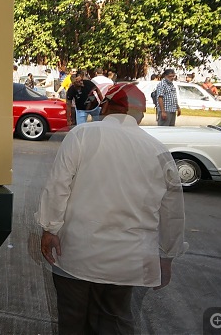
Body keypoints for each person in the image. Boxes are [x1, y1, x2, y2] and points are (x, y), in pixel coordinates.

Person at [38, 83, 186, 334]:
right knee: (114, 322)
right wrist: (166, 256)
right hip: (129, 263)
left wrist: (49, 229)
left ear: (106, 106)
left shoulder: (82, 135)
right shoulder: (158, 151)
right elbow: (173, 212)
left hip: (77, 256)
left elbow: (58, 186)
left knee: (73, 322)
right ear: (139, 115)